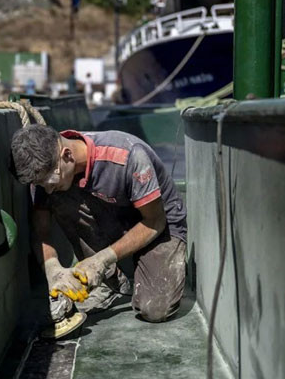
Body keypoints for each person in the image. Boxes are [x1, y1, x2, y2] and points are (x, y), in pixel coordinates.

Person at [10, 125, 187, 323]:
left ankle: (109, 268)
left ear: (67, 155)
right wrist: (52, 269)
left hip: (157, 223)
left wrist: (103, 259)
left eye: (51, 182)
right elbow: (40, 231)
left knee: (155, 310)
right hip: (112, 214)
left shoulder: (129, 156)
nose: (48, 190)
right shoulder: (47, 168)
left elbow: (155, 221)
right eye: (43, 185)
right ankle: (109, 283)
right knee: (60, 197)